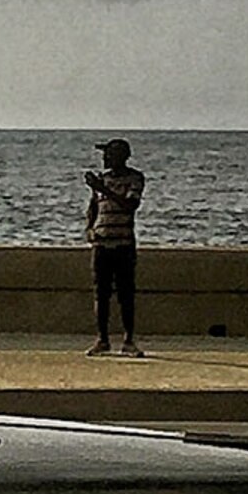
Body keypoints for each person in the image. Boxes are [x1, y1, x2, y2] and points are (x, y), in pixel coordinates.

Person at [85, 136, 147, 356]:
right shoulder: (102, 179)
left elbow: (130, 205)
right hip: (101, 244)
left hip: (123, 245)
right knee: (101, 294)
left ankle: (128, 340)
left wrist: (104, 188)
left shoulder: (135, 178)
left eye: (109, 154)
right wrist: (89, 229)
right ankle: (102, 339)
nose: (105, 158)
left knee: (125, 294)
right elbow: (94, 207)